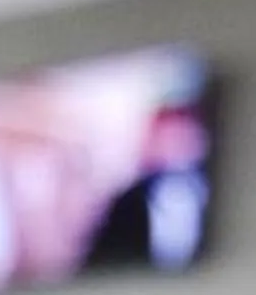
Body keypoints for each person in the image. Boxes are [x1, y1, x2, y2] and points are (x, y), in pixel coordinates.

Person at [80, 103, 210, 273]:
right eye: (167, 138)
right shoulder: (127, 201)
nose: (174, 146)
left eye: (181, 137)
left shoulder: (213, 193)